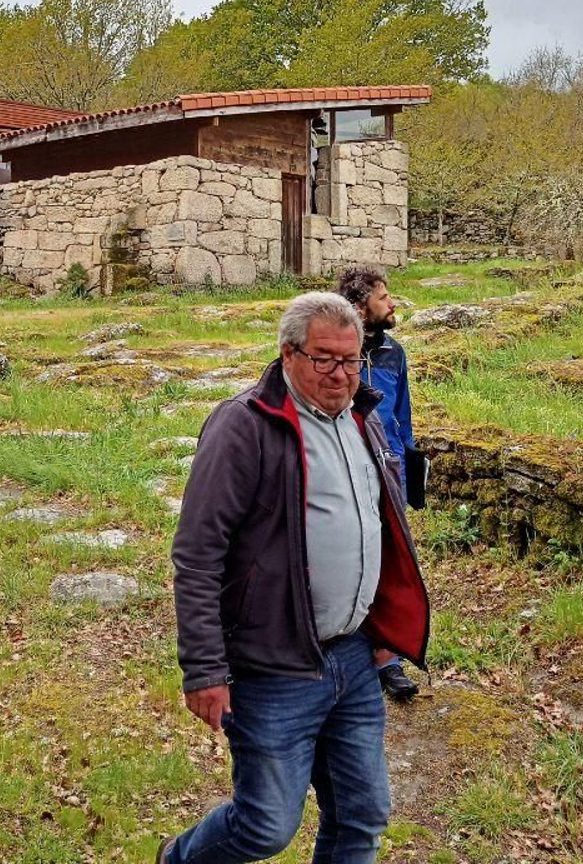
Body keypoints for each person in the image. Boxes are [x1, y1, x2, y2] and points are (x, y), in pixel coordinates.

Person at [159, 292, 431, 864]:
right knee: (264, 828)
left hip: (354, 658)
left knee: (361, 816)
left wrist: (382, 623)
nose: (342, 374)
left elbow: (378, 526)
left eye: (353, 360)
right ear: (288, 355)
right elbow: (198, 553)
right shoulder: (244, 427)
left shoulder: (363, 417)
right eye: (325, 359)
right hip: (273, 664)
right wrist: (204, 668)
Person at [335, 265, 423, 702]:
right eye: (384, 297)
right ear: (359, 307)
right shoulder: (331, 352)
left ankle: (387, 657)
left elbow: (402, 418)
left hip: (389, 474)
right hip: (343, 474)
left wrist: (407, 474)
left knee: (389, 564)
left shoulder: (394, 354)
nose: (393, 304)